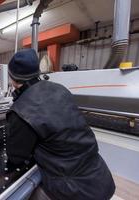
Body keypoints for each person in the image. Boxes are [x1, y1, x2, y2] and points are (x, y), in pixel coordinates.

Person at [6, 49, 115, 200]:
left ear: (13, 79)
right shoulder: (60, 89)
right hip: (100, 177)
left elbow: (16, 157)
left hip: (71, 189)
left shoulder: (20, 110)